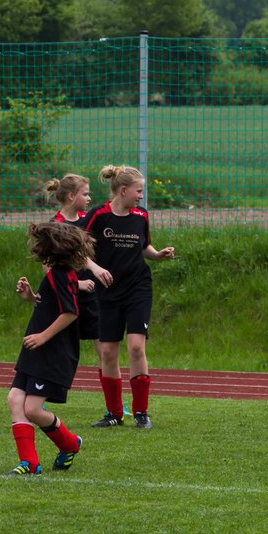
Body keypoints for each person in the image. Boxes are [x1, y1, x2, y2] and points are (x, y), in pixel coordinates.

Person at [84, 165, 176, 429]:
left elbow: (144, 246)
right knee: (108, 353)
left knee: (136, 346)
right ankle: (114, 413)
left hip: (138, 288)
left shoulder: (141, 216)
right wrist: (95, 268)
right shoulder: (98, 216)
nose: (140, 196)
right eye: (138, 191)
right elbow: (79, 248)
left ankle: (141, 413)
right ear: (123, 191)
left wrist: (158, 255)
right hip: (108, 292)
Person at [6, 222, 94, 475]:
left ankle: (70, 443)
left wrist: (43, 337)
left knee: (32, 409)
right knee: (14, 399)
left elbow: (71, 312)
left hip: (52, 351)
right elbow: (51, 306)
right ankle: (30, 463)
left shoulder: (59, 274)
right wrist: (31, 297)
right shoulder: (56, 273)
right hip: (37, 349)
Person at [46, 174, 114, 386]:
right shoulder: (56, 224)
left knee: (105, 351)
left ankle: (113, 404)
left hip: (92, 296)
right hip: (65, 295)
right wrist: (77, 283)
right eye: (85, 194)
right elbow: (47, 268)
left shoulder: (88, 221)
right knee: (58, 350)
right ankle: (40, 395)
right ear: (71, 196)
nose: (89, 198)